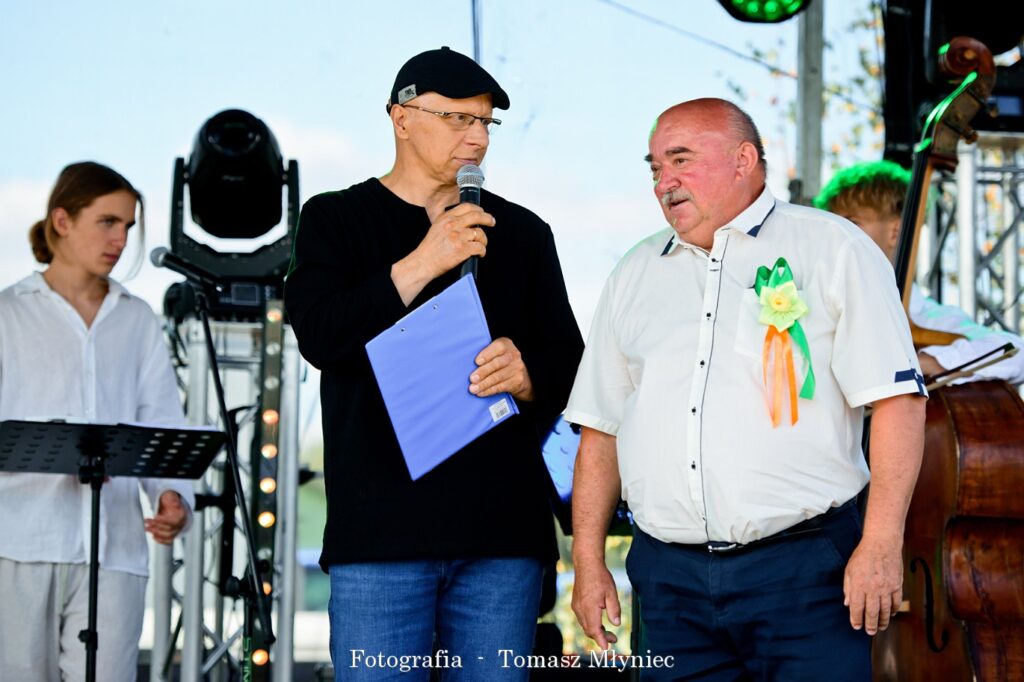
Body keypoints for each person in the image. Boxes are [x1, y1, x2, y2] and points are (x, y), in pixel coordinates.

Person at [566, 98, 927, 680]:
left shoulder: (834, 248)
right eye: (655, 167)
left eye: (680, 160)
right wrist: (587, 560)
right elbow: (599, 429)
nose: (663, 182)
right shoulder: (634, 271)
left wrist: (883, 542)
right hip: (668, 582)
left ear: (744, 160)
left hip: (805, 572)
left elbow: (898, 402)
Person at [284, 47, 583, 680]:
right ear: (401, 118)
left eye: (486, 122)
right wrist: (425, 260)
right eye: (457, 119)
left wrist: (528, 375)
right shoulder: (335, 219)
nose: (478, 137)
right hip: (382, 537)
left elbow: (570, 364)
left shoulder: (525, 233)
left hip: (502, 537)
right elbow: (319, 336)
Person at [0, 161, 195, 681]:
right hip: (19, 545)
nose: (121, 240)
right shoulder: (7, 314)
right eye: (107, 222)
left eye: (128, 226)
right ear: (62, 221)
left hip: (115, 550)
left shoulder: (137, 318)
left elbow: (161, 421)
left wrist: (171, 496)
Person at [814, 159, 1024, 384]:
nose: (836, 235)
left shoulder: (928, 320)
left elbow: (1015, 353)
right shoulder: (820, 307)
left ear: (896, 231)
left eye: (851, 223)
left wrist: (923, 363)